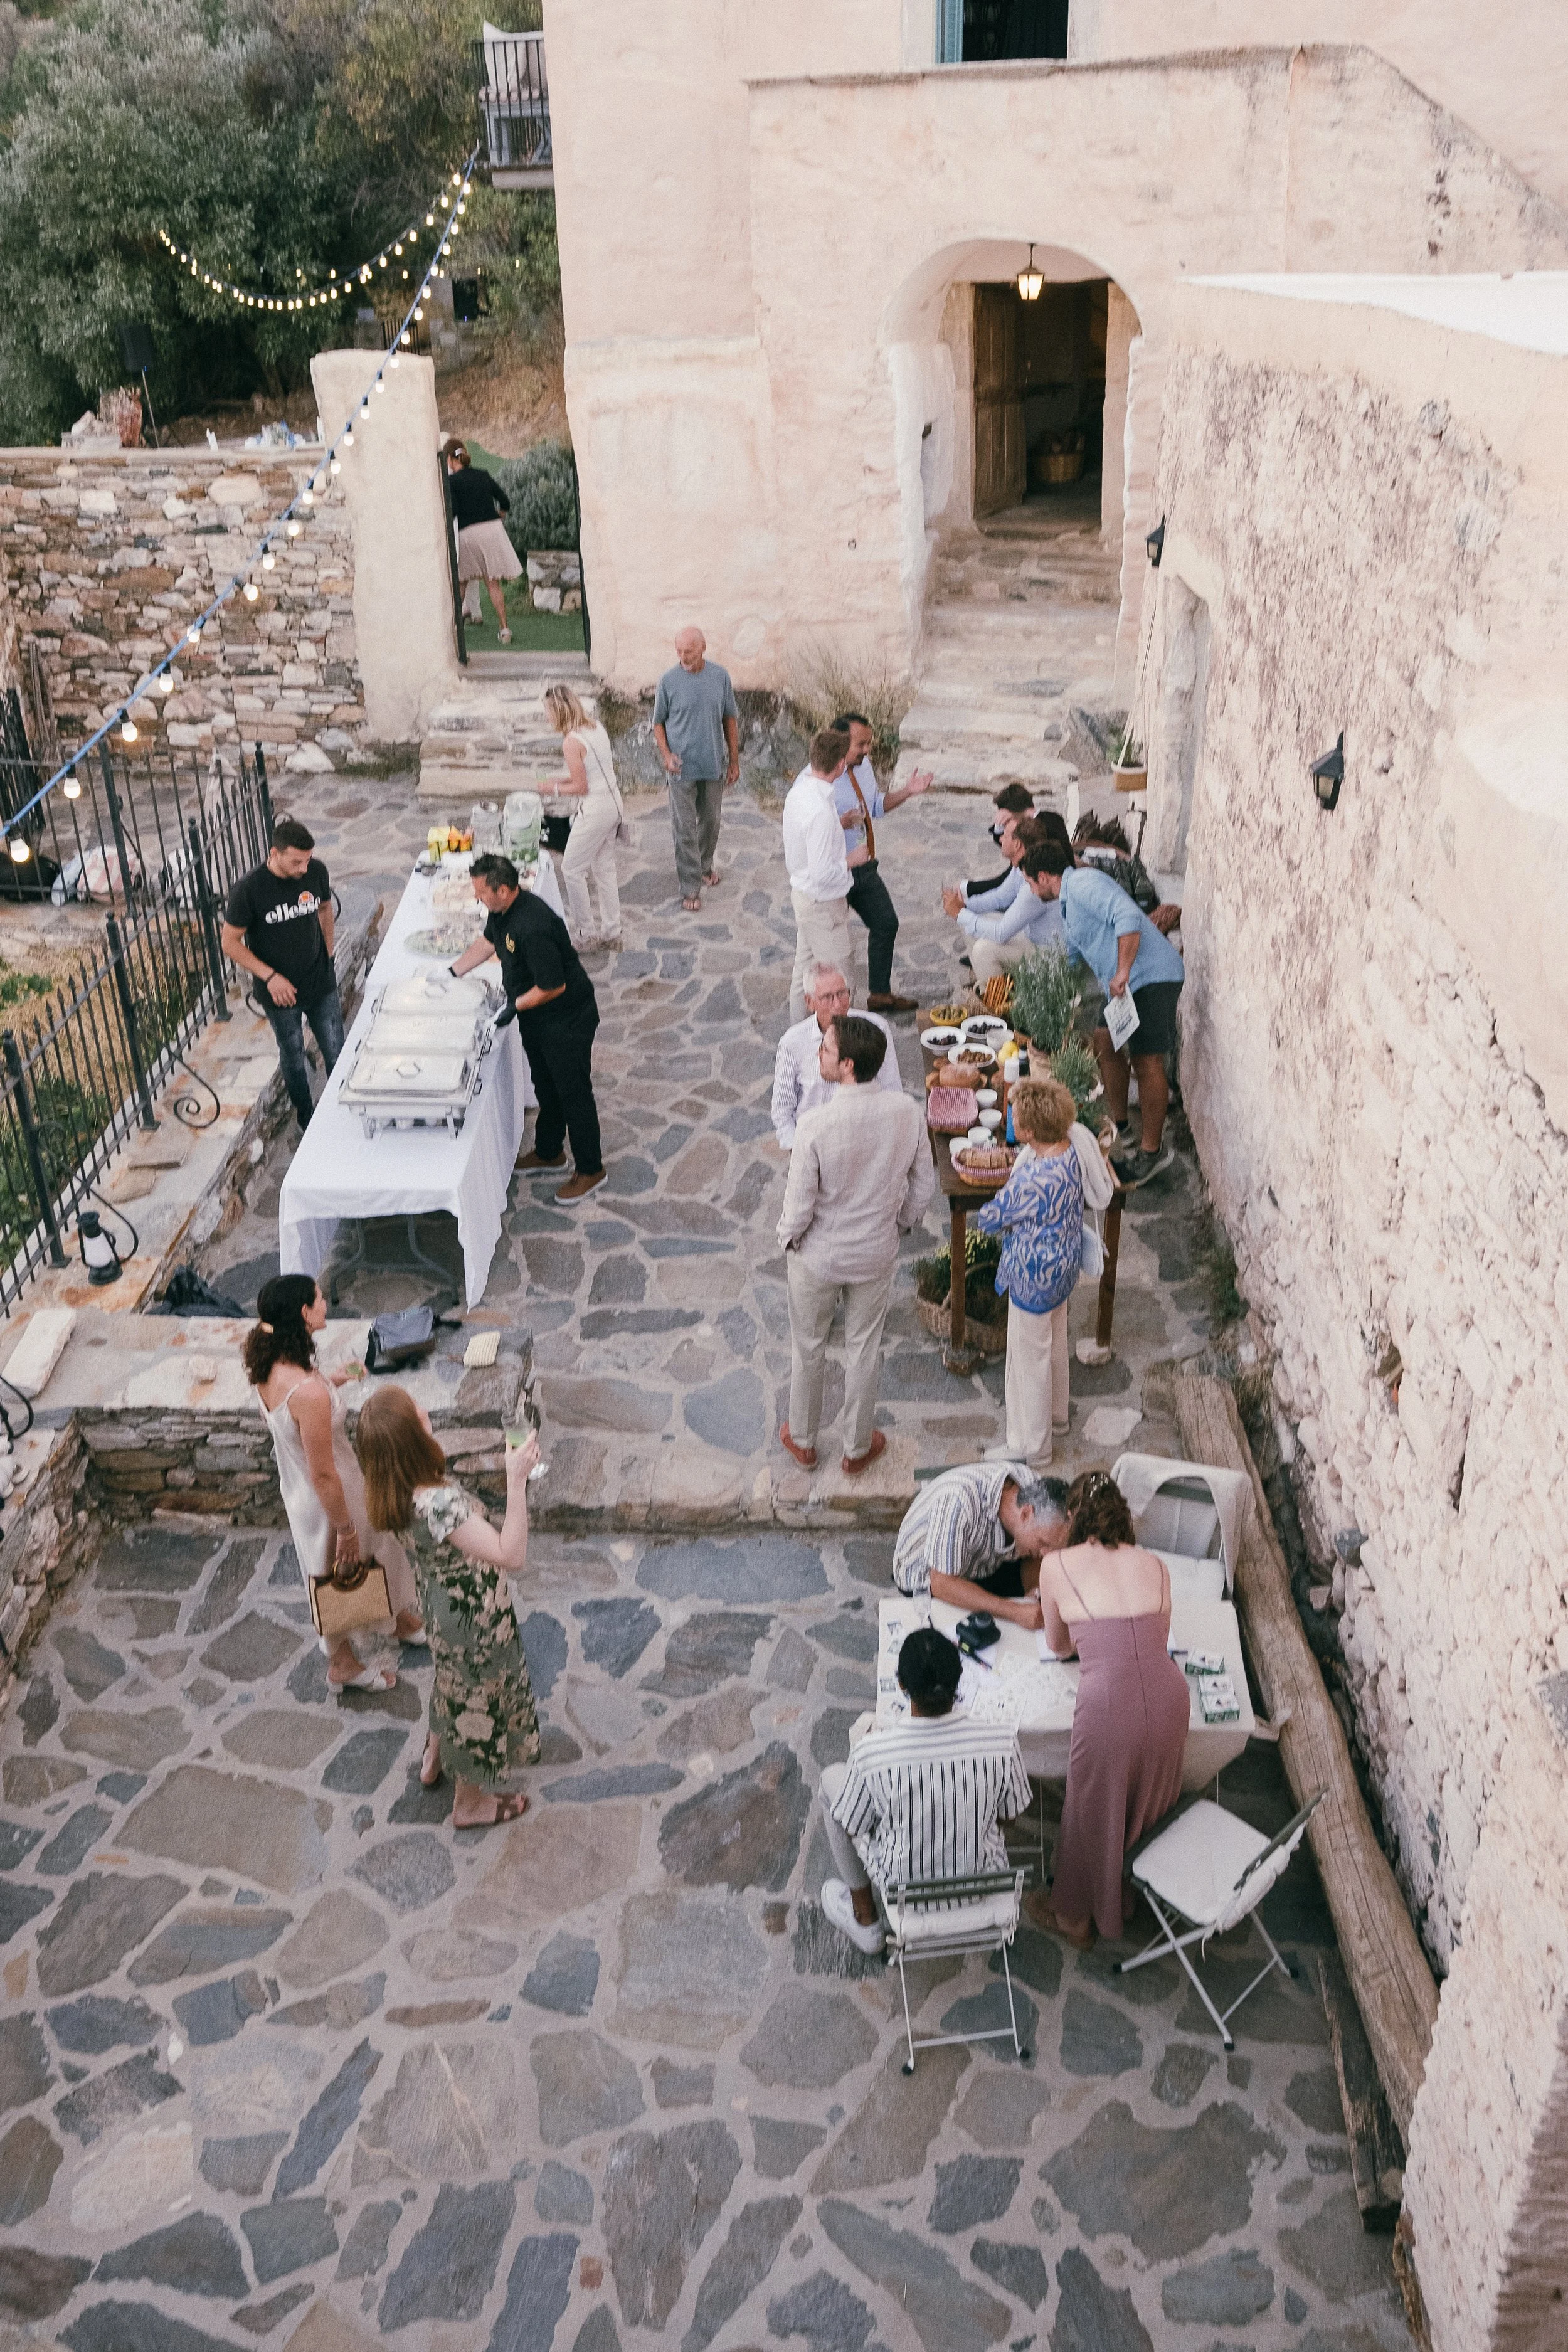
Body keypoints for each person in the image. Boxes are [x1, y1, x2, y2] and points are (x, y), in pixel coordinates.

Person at [358, 1385, 541, 1830]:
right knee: (475, 1699)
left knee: (453, 1681)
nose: (427, 1417)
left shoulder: (391, 1487)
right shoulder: (439, 1505)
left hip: (440, 1605)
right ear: (409, 1443)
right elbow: (510, 1554)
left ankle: (434, 1755)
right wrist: (515, 1481)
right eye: (420, 1417)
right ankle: (469, 1802)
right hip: (471, 1615)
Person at [1029, 1468, 1190, 1946]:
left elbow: (1057, 1646)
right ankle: (1124, 1894)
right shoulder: (1156, 1565)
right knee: (1145, 1801)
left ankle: (1075, 1919)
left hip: (1108, 1706)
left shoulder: (1056, 1566)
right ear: (1123, 1516)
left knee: (1087, 1810)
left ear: (1074, 1517)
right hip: (1170, 1699)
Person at [243, 1274, 423, 1693]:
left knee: (378, 1551)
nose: (325, 1303)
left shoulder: (269, 1362)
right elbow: (323, 1470)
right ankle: (342, 1665)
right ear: (305, 1314)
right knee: (341, 1569)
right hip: (334, 1493)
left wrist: (333, 1381)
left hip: (301, 1492)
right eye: (319, 1299)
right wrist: (343, 1528)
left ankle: (398, 1621)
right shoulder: (309, 1394)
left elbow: (284, 1418)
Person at [776, 1012, 932, 1475]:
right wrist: (901, 1223)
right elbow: (923, 1185)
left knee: (808, 1345)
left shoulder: (815, 1125)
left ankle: (803, 1441)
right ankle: (856, 1447)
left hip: (819, 1257)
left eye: (825, 1049)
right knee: (865, 1347)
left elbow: (800, 1204)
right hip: (875, 1253)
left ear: (846, 1065)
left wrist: (788, 1238)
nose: (819, 1054)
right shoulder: (907, 1112)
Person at [818, 1625, 1032, 1955]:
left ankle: (865, 1920)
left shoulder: (871, 1754)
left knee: (831, 1781)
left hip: (905, 1893)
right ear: (959, 1680)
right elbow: (1010, 1818)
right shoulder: (1002, 1742)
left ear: (902, 1687)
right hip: (981, 1885)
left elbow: (851, 1827)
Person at [1020, 840, 1185, 1186]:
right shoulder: (1069, 902)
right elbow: (1074, 957)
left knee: (1147, 1061)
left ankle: (1151, 1154)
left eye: (1030, 882)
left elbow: (1126, 917)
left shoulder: (1083, 883)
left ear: (1045, 876)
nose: (1031, 891)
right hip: (1125, 988)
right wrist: (1049, 995)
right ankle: (1122, 1128)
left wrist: (1123, 970)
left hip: (1150, 976)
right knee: (1103, 1041)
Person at [453, 850, 606, 1202]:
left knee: (573, 1094)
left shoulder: (533, 925)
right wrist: (453, 972)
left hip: (567, 1019)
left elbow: (553, 986)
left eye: (481, 892)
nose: (477, 897)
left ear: (504, 889)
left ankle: (591, 1168)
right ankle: (550, 1151)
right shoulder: (501, 912)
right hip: (538, 1019)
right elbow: (489, 942)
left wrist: (512, 1007)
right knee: (546, 1086)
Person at [977, 1078, 1085, 1470]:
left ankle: (1032, 1447)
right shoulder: (1070, 1152)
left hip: (1033, 1276)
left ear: (1031, 1130)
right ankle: (1058, 1418)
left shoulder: (1031, 1178)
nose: (1011, 1119)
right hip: (1064, 1267)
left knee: (1028, 1361)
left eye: (1016, 1115)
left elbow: (991, 1219)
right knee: (1055, 1344)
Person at [222, 817, 341, 1140]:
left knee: (336, 1049)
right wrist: (270, 976)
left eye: (308, 859)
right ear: (274, 853)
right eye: (296, 861)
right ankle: (307, 1116)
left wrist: (328, 955)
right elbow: (229, 943)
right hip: (279, 992)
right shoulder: (248, 890)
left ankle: (344, 1110)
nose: (304, 868)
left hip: (319, 980)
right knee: (292, 1053)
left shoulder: (316, 871)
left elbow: (325, 909)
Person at [831, 711, 931, 1015]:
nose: (868, 750)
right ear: (840, 743)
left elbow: (875, 806)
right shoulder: (818, 778)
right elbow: (803, 828)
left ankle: (880, 995)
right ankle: (831, 1013)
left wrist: (907, 792)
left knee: (886, 923)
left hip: (863, 866)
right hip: (835, 872)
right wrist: (840, 823)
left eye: (869, 744)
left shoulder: (864, 767)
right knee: (834, 950)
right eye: (861, 745)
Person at [891, 1461, 1069, 1626]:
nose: (1047, 1553)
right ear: (1025, 1514)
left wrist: (1033, 1592)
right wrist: (1015, 1611)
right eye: (1042, 1542)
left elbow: (1040, 1555)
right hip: (928, 1577)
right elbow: (942, 1583)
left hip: (984, 1562)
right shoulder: (958, 1502)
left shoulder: (1034, 1486)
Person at [652, 627, 739, 911]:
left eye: (688, 651)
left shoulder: (720, 677)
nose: (682, 656)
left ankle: (704, 866)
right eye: (678, 651)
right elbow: (658, 723)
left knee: (712, 822)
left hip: (712, 763)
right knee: (685, 829)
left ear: (703, 647)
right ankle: (690, 886)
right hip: (680, 768)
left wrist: (734, 760)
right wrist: (666, 754)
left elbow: (730, 719)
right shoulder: (668, 681)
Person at [770, 963, 899, 1148]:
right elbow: (782, 1111)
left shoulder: (876, 1028)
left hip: (867, 1140)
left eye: (842, 993)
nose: (838, 1004)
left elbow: (891, 1089)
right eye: (828, 997)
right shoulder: (793, 1042)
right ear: (809, 1002)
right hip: (817, 1143)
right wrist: (797, 1151)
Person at [782, 728, 863, 1022]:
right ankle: (841, 1044)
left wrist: (838, 824)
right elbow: (821, 874)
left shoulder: (801, 791)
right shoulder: (819, 810)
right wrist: (851, 860)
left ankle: (796, 1035)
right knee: (842, 983)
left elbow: (809, 842)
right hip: (821, 906)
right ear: (841, 764)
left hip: (805, 898)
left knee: (802, 976)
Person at [543, 682, 624, 952]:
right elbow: (591, 772)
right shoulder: (595, 727)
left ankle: (585, 933)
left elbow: (582, 787)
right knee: (604, 868)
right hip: (614, 802)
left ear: (558, 712)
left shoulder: (571, 742)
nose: (547, 717)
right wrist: (561, 779)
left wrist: (552, 788)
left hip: (596, 810)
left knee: (572, 868)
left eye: (548, 712)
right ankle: (613, 931)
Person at [944, 813, 1067, 988]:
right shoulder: (1021, 865)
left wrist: (959, 913)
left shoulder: (1034, 883)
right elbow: (1000, 897)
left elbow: (1001, 932)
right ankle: (985, 978)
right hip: (1030, 934)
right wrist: (964, 905)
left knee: (984, 950)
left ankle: (998, 1005)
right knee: (970, 919)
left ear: (1017, 845)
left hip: (1047, 952)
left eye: (1006, 835)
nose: (1000, 838)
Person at [442, 438, 522, 644]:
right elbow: (505, 501)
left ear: (451, 459)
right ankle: (504, 629)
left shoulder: (451, 482)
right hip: (492, 531)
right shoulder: (483, 475)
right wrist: (500, 515)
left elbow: (455, 512)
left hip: (468, 534)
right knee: (492, 582)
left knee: (461, 582)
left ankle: (453, 632)